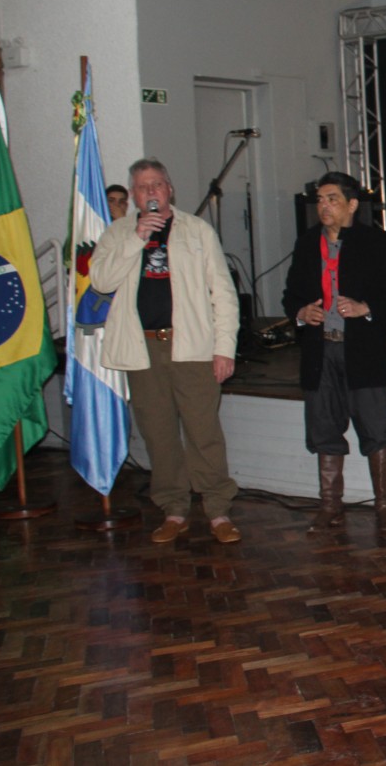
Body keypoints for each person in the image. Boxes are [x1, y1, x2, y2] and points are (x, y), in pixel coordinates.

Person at [91, 158, 243, 544]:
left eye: (157, 184)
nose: (151, 192)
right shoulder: (118, 233)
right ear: (134, 195)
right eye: (143, 187)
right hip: (142, 348)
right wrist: (136, 238)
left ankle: (218, 510)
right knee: (158, 433)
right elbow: (101, 281)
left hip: (192, 346)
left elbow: (224, 294)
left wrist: (224, 348)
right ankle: (174, 510)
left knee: (203, 431)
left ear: (170, 189)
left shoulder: (197, 230)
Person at [282, 172, 386, 534]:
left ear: (352, 204)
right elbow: (290, 294)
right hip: (320, 351)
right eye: (320, 200)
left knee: (377, 428)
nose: (323, 206)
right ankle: (330, 506)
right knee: (324, 427)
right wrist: (301, 312)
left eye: (332, 199)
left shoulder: (376, 242)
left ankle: (384, 506)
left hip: (362, 352)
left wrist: (366, 307)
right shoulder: (307, 243)